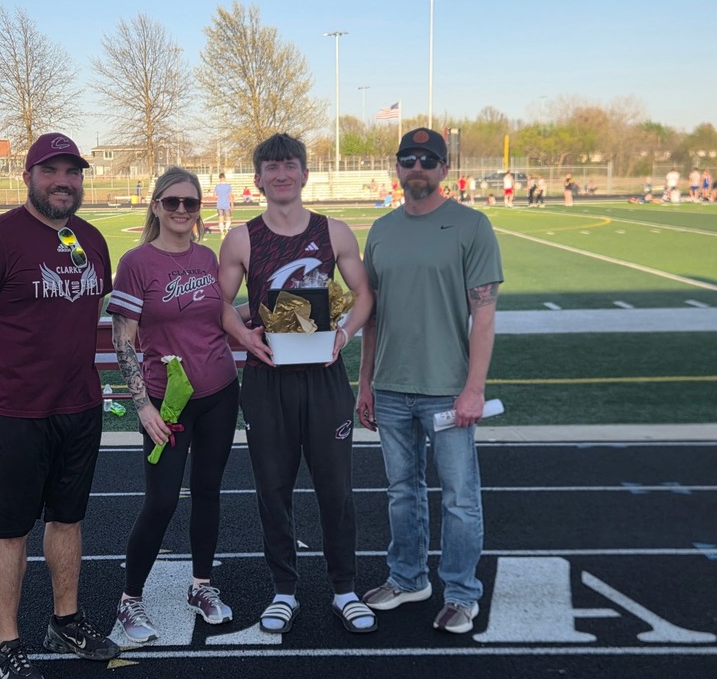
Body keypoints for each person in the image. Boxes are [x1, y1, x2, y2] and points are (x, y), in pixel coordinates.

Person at [0, 132, 118, 679]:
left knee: (68, 519)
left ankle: (65, 622)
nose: (64, 181)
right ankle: (7, 645)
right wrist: (2, 379)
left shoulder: (90, 239)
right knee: (12, 529)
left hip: (81, 406)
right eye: (52, 171)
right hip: (20, 413)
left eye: (73, 171)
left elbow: (90, 308)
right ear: (28, 176)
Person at [218, 132, 376, 636]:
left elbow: (363, 294)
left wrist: (346, 333)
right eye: (271, 168)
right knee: (273, 489)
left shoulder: (335, 232)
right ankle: (283, 591)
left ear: (305, 173)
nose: (281, 175)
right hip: (268, 380)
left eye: (290, 166)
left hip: (325, 377)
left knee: (336, 490)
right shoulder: (241, 238)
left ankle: (344, 588)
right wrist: (243, 335)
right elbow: (219, 305)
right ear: (258, 178)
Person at [356, 128, 503, 635]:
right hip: (391, 386)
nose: (416, 166)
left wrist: (474, 389)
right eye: (407, 159)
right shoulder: (380, 229)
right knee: (402, 492)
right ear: (397, 167)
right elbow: (371, 316)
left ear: (443, 169)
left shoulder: (471, 225)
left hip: (447, 387)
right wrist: (365, 384)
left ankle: (462, 594)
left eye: (427, 159)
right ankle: (408, 577)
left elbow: (483, 315)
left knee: (460, 498)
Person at [106, 167, 240, 644]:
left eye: (191, 202)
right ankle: (130, 599)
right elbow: (123, 339)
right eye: (172, 202)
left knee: (208, 491)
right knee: (161, 500)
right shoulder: (137, 262)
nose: (182, 210)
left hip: (221, 393)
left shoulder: (208, 257)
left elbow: (220, 318)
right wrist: (142, 407)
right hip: (166, 402)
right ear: (156, 206)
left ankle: (201, 586)